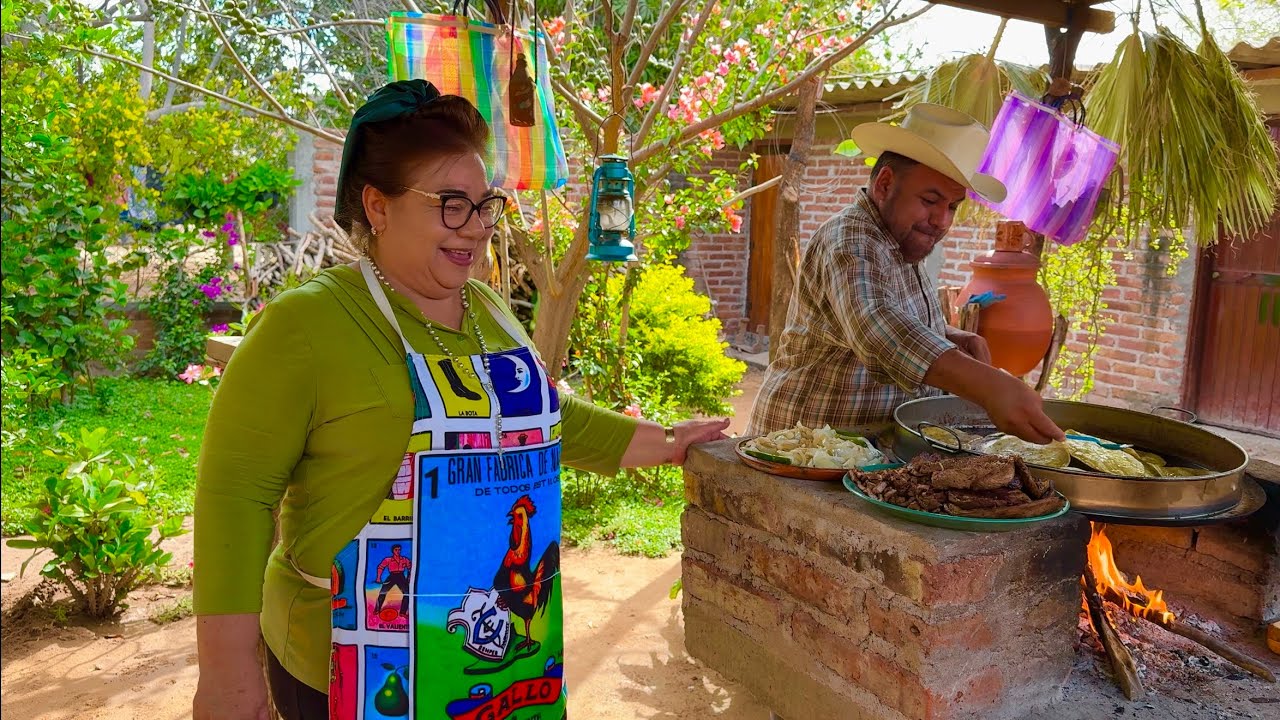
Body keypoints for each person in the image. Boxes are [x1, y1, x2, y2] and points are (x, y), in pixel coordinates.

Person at [192, 79, 729, 720]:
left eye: (484, 205)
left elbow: (547, 422)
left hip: (497, 655)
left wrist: (669, 443)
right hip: (353, 660)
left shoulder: (490, 311)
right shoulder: (309, 324)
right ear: (378, 206)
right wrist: (227, 677)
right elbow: (235, 496)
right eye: (451, 204)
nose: (476, 228)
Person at [746, 103, 1064, 445]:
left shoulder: (902, 238)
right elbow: (876, 326)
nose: (941, 220)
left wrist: (949, 335)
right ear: (884, 184)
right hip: (799, 450)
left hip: (860, 450)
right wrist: (989, 386)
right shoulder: (851, 239)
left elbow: (894, 314)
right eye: (930, 200)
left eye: (952, 206)